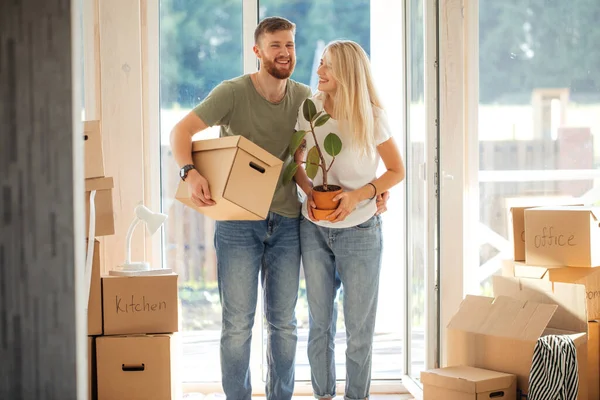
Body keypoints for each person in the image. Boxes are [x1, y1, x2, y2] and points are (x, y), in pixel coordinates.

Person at [169, 17, 310, 400]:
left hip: (286, 222)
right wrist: (189, 173)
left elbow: (312, 158)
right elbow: (180, 132)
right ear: (258, 51)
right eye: (276, 46)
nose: (284, 53)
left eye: (290, 45)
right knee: (237, 324)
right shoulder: (232, 93)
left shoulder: (304, 99)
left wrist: (372, 190)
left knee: (283, 324)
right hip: (237, 222)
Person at [293, 40, 405, 400]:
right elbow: (296, 162)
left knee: (359, 329)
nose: (319, 71)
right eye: (321, 64)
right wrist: (309, 192)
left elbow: (396, 170)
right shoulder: (310, 109)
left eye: (327, 66)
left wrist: (361, 194)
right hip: (314, 229)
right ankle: (323, 395)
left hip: (360, 231)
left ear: (346, 72)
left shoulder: (372, 116)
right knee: (319, 324)